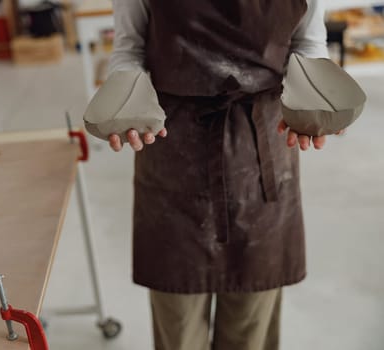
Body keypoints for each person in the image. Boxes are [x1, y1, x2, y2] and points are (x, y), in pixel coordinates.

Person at [104, 1, 336, 349]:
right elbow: (130, 48)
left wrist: (318, 98)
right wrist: (126, 99)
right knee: (179, 324)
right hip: (174, 146)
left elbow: (308, 45)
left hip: (261, 152)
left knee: (250, 325)